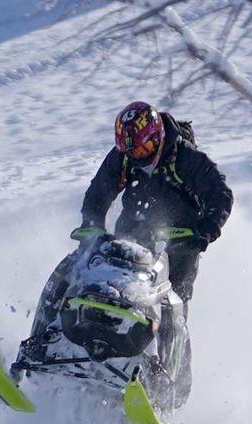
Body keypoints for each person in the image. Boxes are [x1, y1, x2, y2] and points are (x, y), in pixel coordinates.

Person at [79, 101, 233, 306]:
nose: (138, 155)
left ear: (158, 136)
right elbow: (97, 194)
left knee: (173, 299)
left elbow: (220, 193)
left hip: (181, 240)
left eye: (145, 148)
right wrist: (93, 226)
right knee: (106, 284)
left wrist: (207, 228)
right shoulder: (122, 157)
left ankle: (173, 335)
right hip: (131, 233)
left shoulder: (186, 157)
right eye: (133, 152)